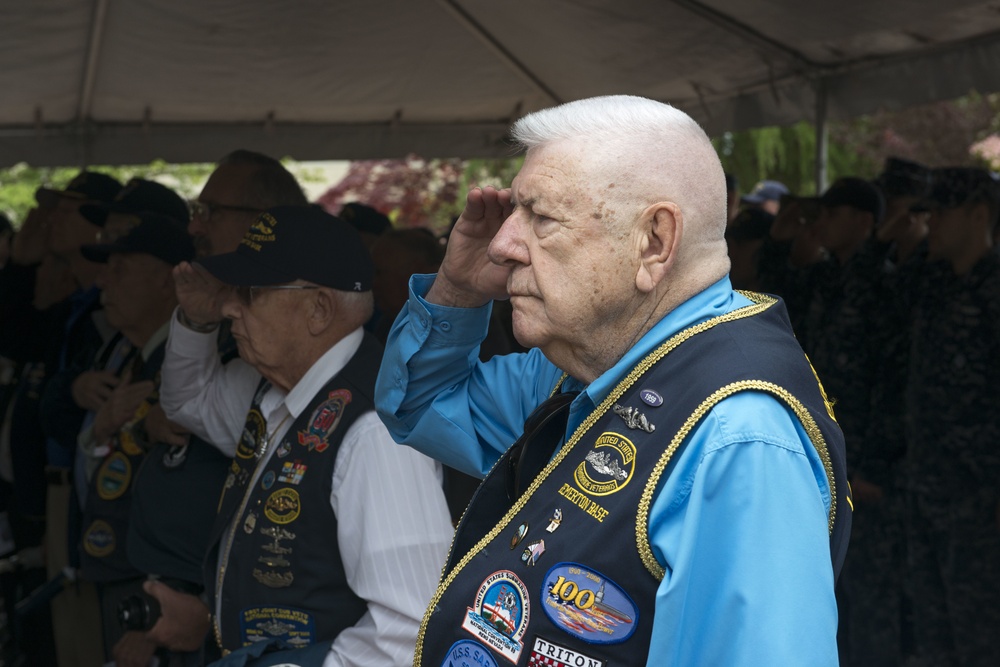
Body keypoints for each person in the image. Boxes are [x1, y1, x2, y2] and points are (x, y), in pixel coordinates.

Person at [375, 95, 850, 666]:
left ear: (653, 241)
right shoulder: (590, 364)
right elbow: (421, 406)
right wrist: (456, 290)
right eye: (512, 215)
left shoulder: (739, 435)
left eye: (541, 218)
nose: (502, 245)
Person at [154, 206, 453, 666]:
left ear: (318, 309)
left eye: (249, 293)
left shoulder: (374, 431)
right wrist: (197, 322)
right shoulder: (274, 388)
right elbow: (187, 401)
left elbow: (411, 630)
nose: (229, 305)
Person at [903, 167, 1000, 666]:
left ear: (979, 214)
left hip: (979, 504)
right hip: (928, 490)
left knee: (979, 636)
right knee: (934, 633)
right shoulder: (936, 284)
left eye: (942, 212)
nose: (930, 223)